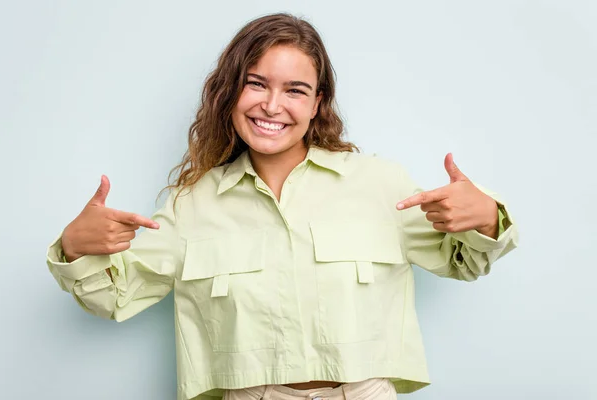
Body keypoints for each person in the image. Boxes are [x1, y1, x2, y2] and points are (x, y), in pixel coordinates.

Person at [46, 12, 518, 400]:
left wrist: (486, 218)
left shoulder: (380, 183)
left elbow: (465, 262)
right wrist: (74, 247)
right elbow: (115, 296)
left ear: (318, 103)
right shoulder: (191, 204)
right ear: (230, 92)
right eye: (256, 84)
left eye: (295, 90)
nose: (273, 105)